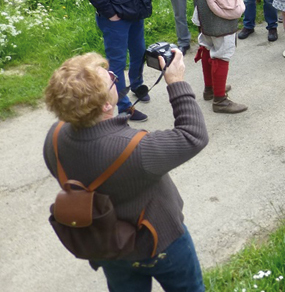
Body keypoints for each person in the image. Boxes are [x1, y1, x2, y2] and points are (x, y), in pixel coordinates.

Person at [43, 51, 208, 290]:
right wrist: (176, 81)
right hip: (160, 242)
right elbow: (194, 135)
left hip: (109, 245)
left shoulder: (54, 138)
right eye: (110, 78)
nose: (113, 75)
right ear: (107, 104)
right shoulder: (136, 150)